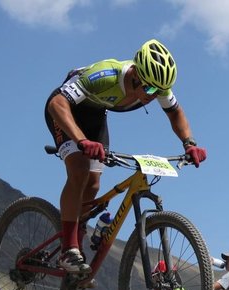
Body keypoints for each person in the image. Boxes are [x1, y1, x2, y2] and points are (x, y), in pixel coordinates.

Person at [45, 39, 207, 274]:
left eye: (158, 91)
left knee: (93, 183)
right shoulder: (105, 76)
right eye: (149, 89)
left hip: (95, 116)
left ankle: (78, 239)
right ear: (135, 75)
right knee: (79, 171)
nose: (153, 96)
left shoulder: (156, 85)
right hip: (65, 112)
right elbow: (57, 103)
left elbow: (175, 112)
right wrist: (81, 141)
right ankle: (68, 250)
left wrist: (189, 143)